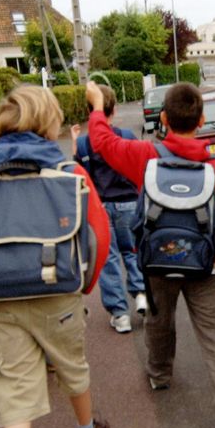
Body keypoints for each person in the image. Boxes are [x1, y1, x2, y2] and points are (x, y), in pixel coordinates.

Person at [0, 86, 112, 428]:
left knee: (14, 396)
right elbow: (97, 236)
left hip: (4, 299)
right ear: (48, 122)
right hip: (58, 290)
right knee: (72, 366)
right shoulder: (69, 172)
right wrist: (85, 286)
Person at [86, 80, 215, 428]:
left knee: (160, 323)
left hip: (157, 263)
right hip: (203, 264)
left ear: (163, 118)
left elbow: (102, 142)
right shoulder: (214, 168)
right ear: (202, 119)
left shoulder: (146, 156)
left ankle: (159, 375)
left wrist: (98, 106)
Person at [74, 83, 147, 334]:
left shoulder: (84, 144)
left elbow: (79, 176)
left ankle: (119, 313)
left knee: (109, 259)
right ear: (114, 110)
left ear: (89, 111)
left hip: (101, 208)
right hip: (129, 204)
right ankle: (141, 295)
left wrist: (75, 146)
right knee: (133, 252)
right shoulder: (126, 136)